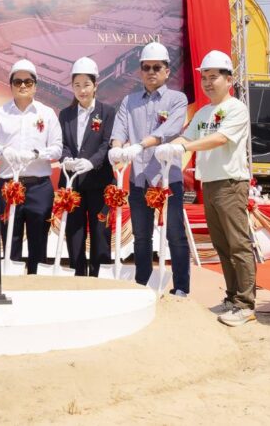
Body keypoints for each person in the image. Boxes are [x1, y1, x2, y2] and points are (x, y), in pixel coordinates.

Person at [157, 49, 255, 327]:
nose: (208, 83)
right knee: (222, 245)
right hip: (210, 184)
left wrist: (185, 147)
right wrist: (166, 147)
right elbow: (186, 137)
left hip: (231, 183)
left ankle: (245, 304)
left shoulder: (236, 108)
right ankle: (232, 297)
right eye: (205, 78)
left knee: (238, 244)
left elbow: (219, 139)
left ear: (229, 79)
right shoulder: (203, 112)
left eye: (214, 77)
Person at [108, 42, 190, 296]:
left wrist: (140, 145)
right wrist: (116, 148)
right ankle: (141, 285)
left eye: (157, 67)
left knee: (175, 235)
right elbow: (120, 129)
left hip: (167, 180)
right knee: (142, 237)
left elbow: (169, 130)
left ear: (167, 70)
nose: (151, 72)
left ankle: (181, 289)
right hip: (139, 180)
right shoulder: (129, 101)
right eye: (146, 67)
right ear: (140, 71)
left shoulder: (177, 99)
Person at [0, 59, 62, 274]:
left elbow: (57, 149)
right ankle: (11, 283)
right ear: (10, 85)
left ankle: (36, 283)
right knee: (10, 237)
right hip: (8, 185)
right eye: (17, 81)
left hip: (39, 187)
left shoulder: (47, 113)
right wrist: (4, 151)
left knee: (39, 240)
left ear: (35, 85)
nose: (23, 86)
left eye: (28, 81)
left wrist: (37, 154)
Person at [57, 57, 115, 277]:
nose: (82, 90)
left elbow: (107, 143)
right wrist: (66, 159)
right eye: (77, 85)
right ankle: (78, 275)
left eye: (86, 84)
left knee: (100, 232)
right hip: (73, 184)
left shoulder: (107, 112)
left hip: (99, 182)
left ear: (95, 85)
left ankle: (100, 277)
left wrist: (92, 162)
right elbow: (61, 144)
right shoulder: (65, 114)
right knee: (74, 232)